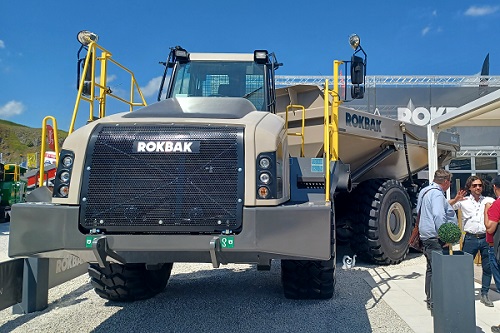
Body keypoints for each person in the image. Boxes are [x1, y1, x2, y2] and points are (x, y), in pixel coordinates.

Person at [449, 176, 495, 307]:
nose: (478, 187)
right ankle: (464, 293)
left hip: (486, 238)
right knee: (465, 268)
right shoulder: (463, 201)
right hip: (470, 238)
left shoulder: (488, 200)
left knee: (487, 267)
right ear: (469, 187)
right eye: (474, 185)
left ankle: (485, 294)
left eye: (480, 185)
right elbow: (446, 206)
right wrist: (456, 199)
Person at [417, 169, 458, 311]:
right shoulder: (437, 194)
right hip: (435, 239)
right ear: (446, 181)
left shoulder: (425, 191)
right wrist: (445, 235)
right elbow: (439, 215)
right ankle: (436, 304)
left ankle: (430, 300)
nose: (450, 185)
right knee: (438, 271)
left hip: (427, 237)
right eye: (450, 182)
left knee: (431, 270)